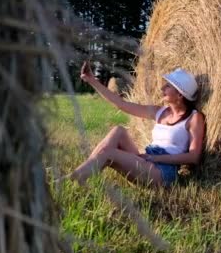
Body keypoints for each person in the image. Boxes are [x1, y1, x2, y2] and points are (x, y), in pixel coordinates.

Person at [67, 61, 205, 187]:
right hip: (148, 160)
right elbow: (121, 104)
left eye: (168, 86)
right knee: (118, 131)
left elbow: (194, 157)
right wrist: (92, 80)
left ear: (180, 94)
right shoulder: (160, 111)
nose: (162, 88)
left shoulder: (194, 118)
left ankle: (71, 181)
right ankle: (78, 178)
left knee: (108, 153)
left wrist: (154, 158)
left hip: (163, 170)